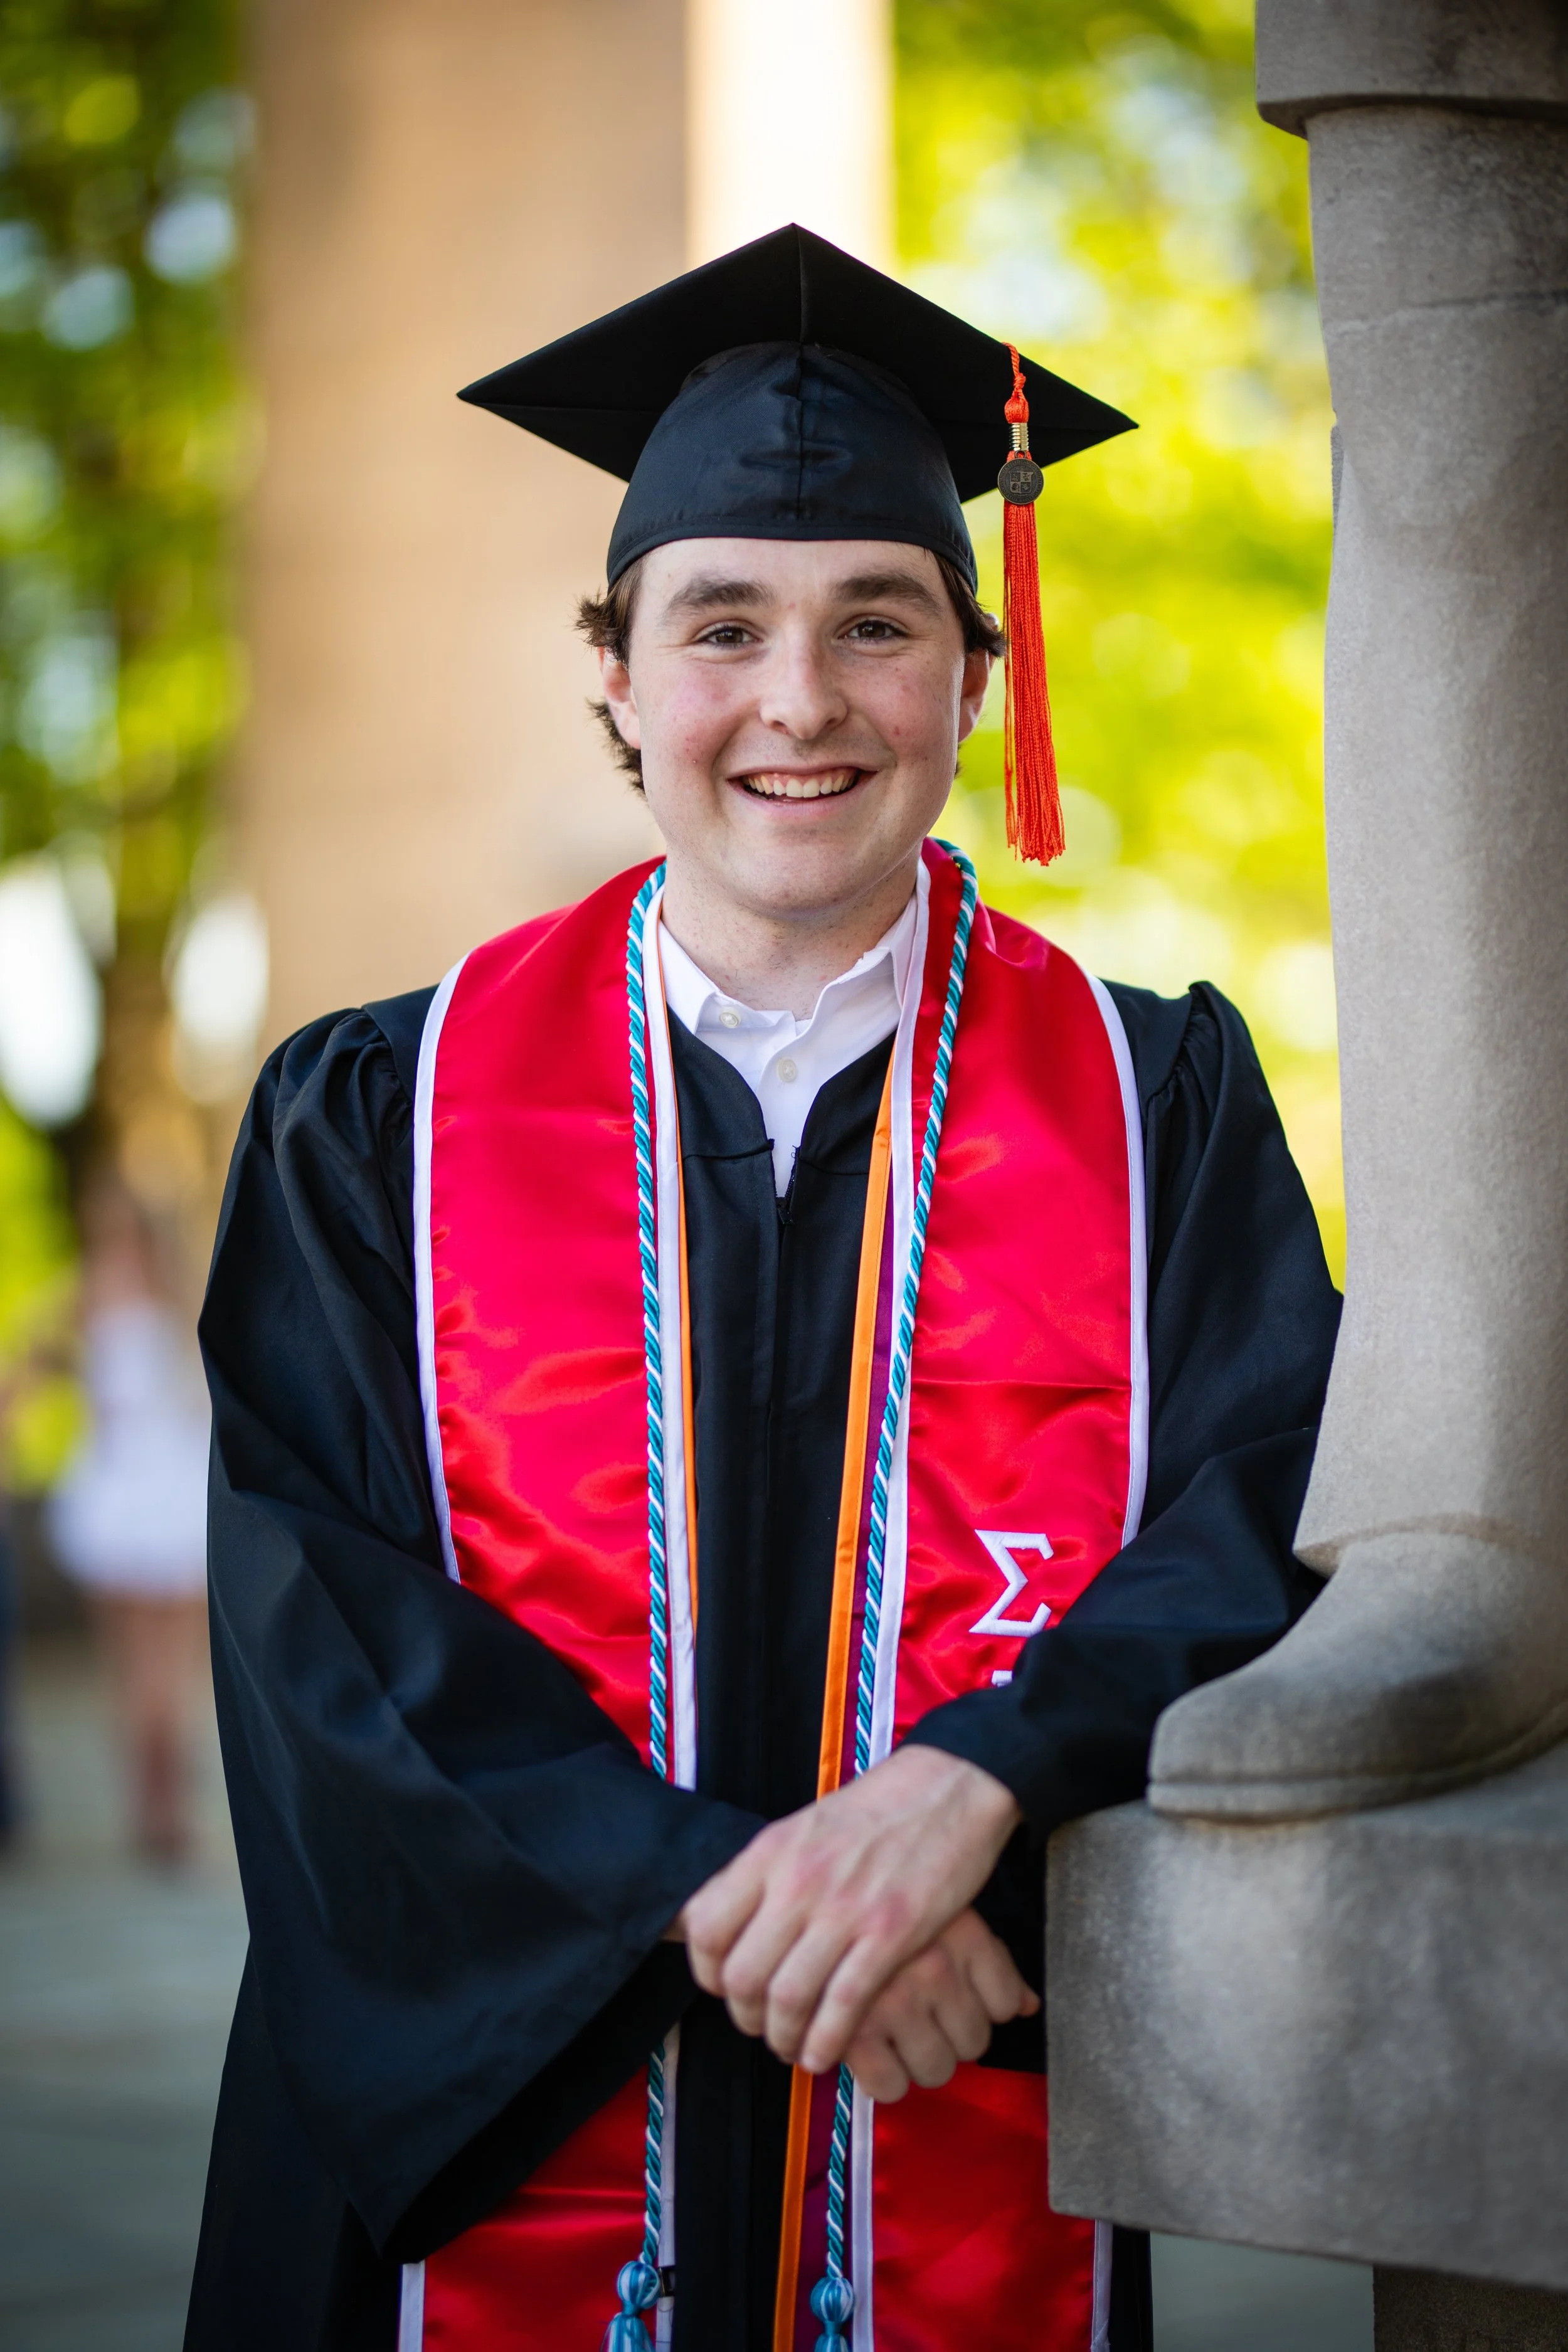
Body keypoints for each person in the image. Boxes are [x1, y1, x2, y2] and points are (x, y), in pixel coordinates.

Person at [186, 226, 1338, 2352]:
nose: (800, 700)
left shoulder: (1154, 1096)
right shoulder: (378, 1115)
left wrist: (971, 1793)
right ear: (616, 673)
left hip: (975, 2074)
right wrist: (757, 1904)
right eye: (723, 626)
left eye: (876, 625)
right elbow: (319, 1614)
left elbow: (1262, 1505)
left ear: (975, 683)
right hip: (514, 2110)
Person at [48, 1179, 211, 1863]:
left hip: (133, 1493)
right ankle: (162, 1805)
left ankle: (153, 1805)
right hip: (154, 1493)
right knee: (162, 1670)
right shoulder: (174, 1298)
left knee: (139, 1669)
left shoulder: (88, 1297)